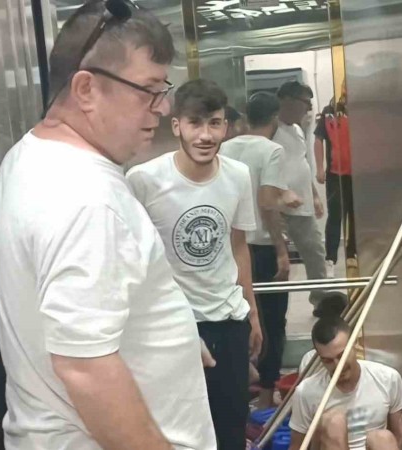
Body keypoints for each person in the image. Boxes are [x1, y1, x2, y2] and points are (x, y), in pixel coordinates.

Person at [0, 2, 216, 449]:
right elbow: (86, 369)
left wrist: (178, 342)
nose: (163, 107)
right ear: (86, 88)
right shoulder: (87, 199)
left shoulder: (30, 156)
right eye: (148, 90)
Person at [126, 78, 263, 450]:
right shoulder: (143, 181)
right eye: (195, 123)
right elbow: (132, 262)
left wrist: (252, 313)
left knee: (231, 426)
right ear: (177, 126)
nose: (205, 135)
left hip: (229, 320)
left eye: (214, 123)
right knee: (179, 430)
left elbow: (238, 246)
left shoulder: (238, 175)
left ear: (226, 127)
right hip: (173, 324)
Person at [221, 92, 303, 409]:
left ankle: (241, 387)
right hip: (261, 248)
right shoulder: (272, 150)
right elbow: (267, 202)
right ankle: (267, 397)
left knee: (238, 316)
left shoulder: (226, 147)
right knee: (272, 321)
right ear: (274, 119)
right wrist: (282, 249)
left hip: (230, 247)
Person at [289, 317, 402, 450]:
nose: (338, 366)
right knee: (334, 422)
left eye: (342, 356)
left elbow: (400, 445)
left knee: (382, 438)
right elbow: (297, 446)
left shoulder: (387, 378)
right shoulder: (306, 391)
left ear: (355, 345)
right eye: (328, 360)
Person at [274, 82, 345, 317]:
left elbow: (301, 163)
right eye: (305, 103)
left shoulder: (296, 129)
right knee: (277, 260)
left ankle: (321, 301)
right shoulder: (271, 129)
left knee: (315, 252)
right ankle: (274, 310)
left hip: (301, 205)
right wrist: (281, 194)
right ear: (288, 101)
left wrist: (314, 195)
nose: (308, 109)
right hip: (277, 207)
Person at [314, 81, 357, 277]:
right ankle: (330, 258)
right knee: (335, 215)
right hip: (335, 173)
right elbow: (318, 139)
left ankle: (353, 253)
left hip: (358, 174)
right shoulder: (329, 111)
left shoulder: (363, 110)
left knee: (356, 214)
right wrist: (319, 168)